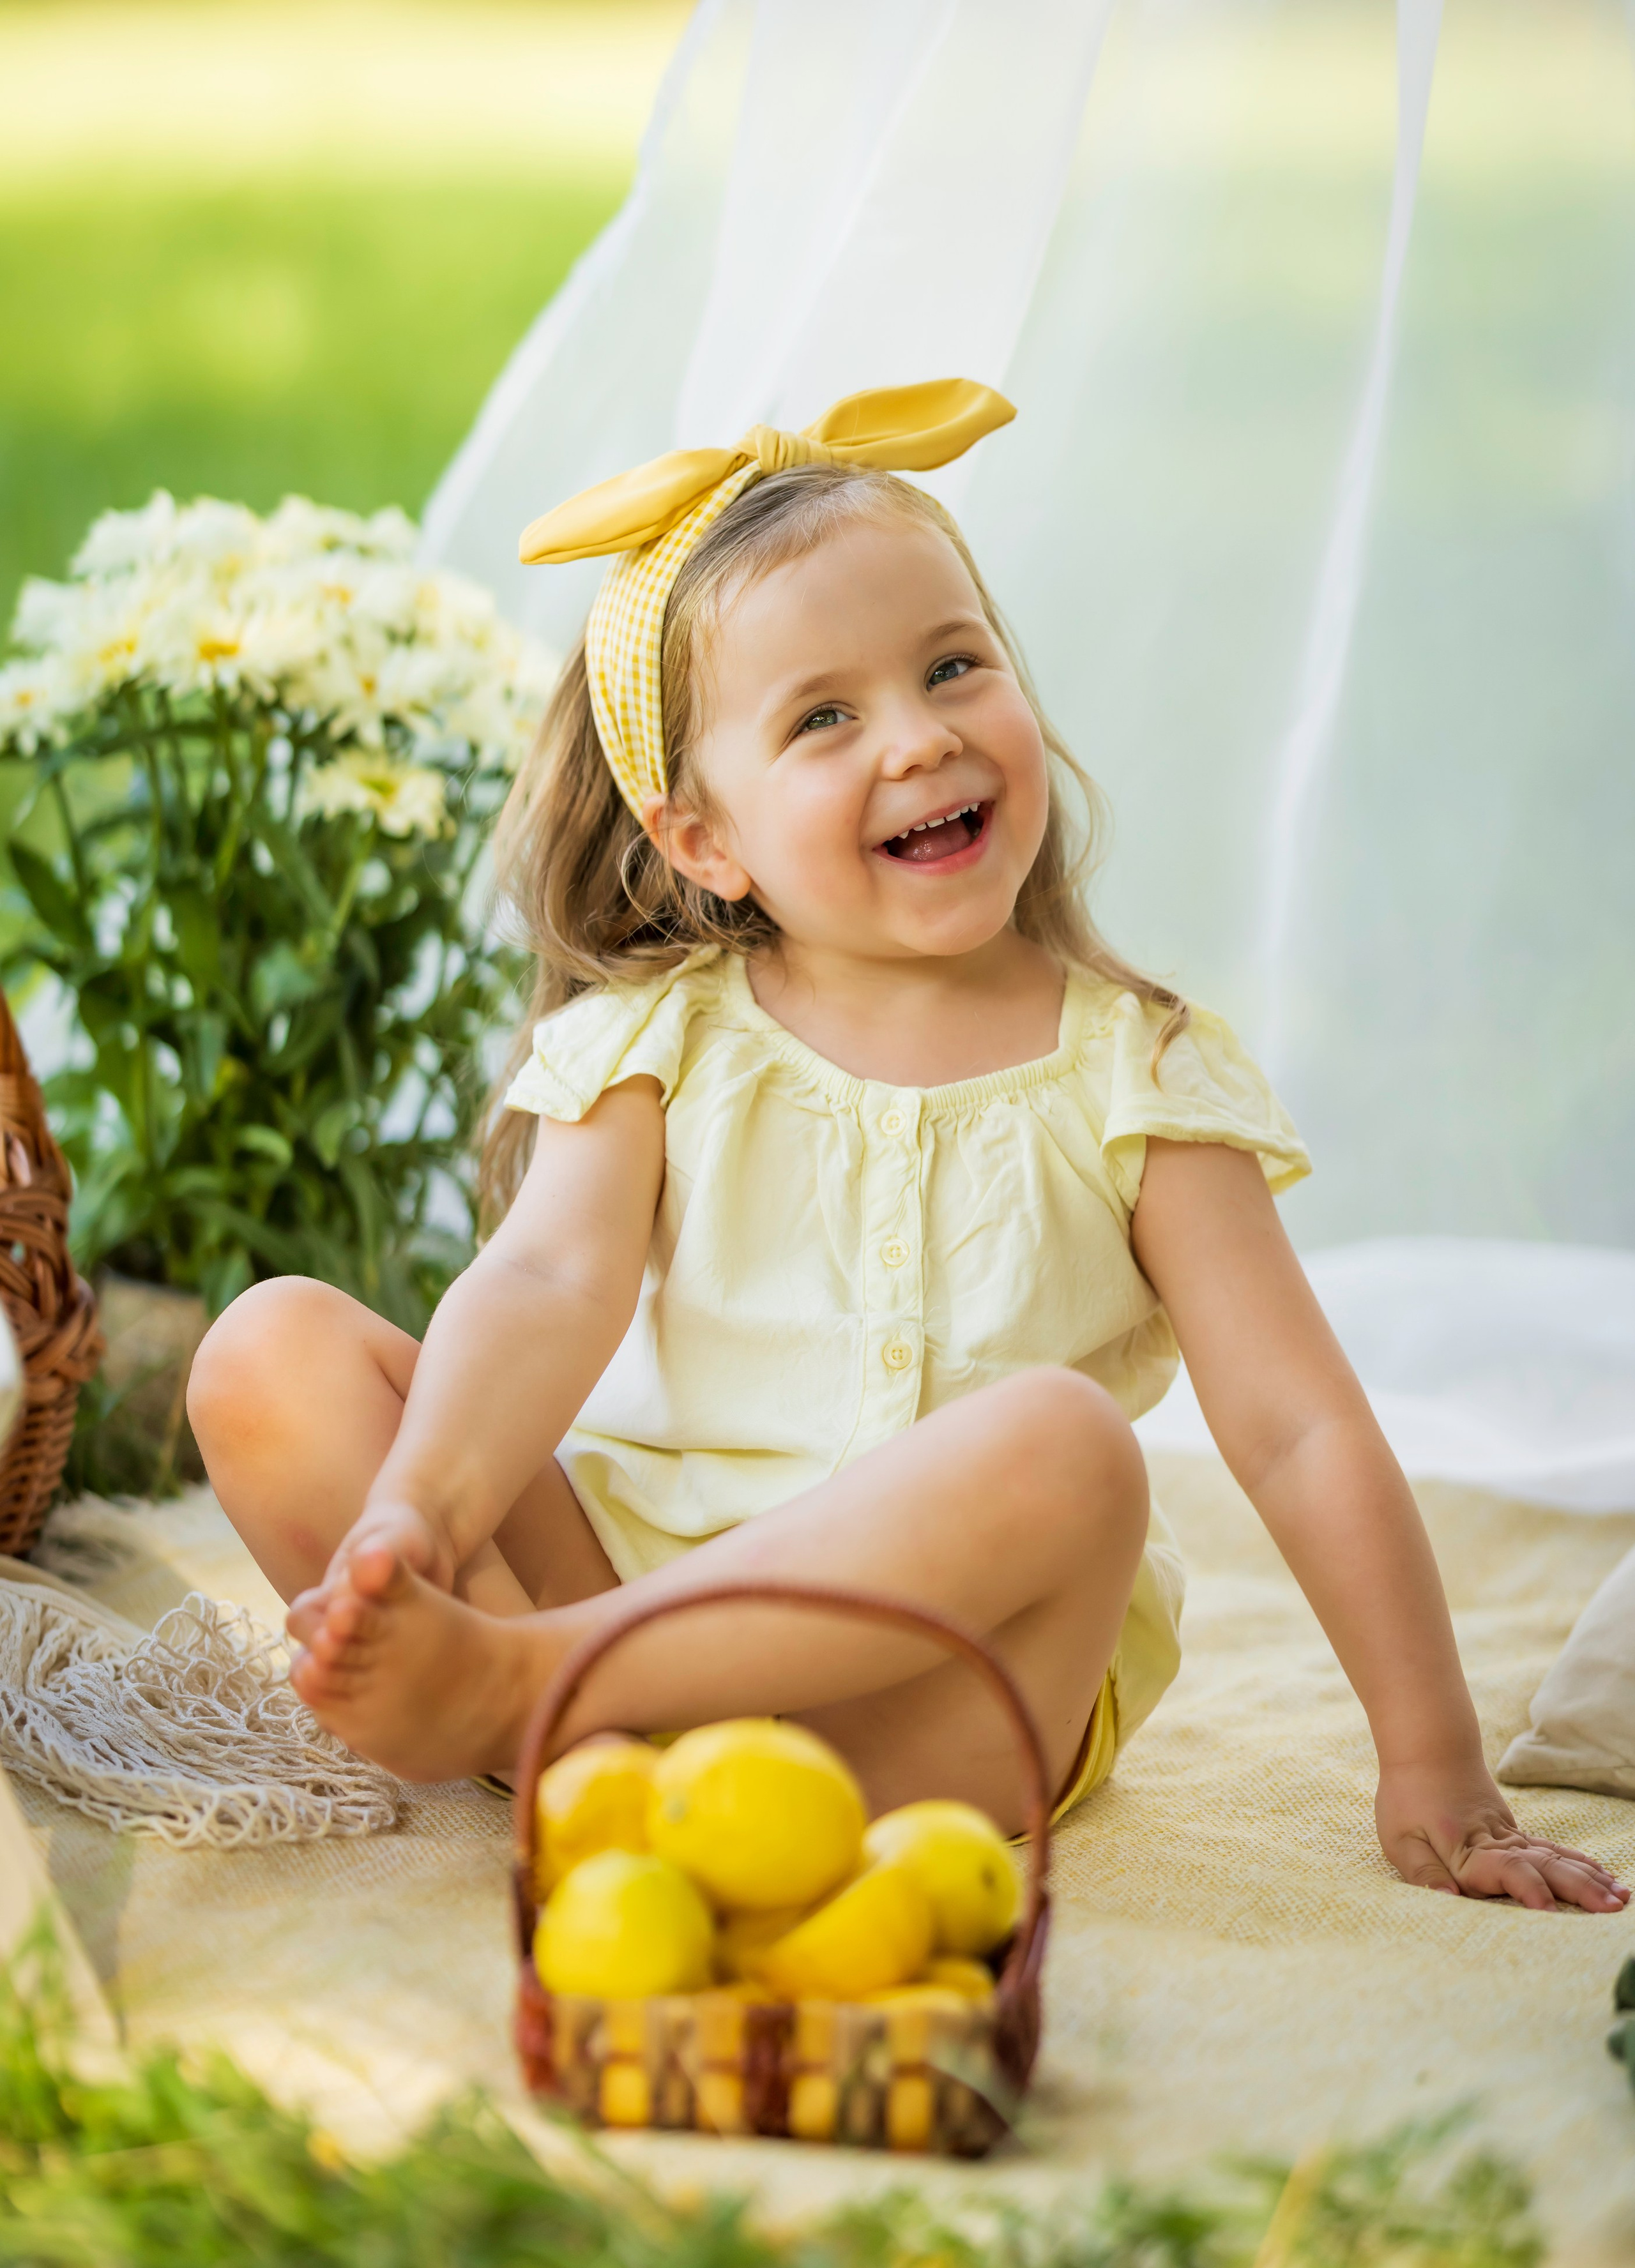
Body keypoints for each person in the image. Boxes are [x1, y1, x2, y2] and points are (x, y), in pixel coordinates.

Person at [191, 379, 1624, 1910]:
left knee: (1067, 1446)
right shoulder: (652, 1044)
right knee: (267, 1353)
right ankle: (590, 1746)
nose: (920, 737)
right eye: (824, 716)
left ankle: (530, 1693)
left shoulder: (1138, 1069)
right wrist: (419, 1509)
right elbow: (542, 1287)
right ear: (703, 841)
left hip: (944, 1702)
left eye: (952, 666)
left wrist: (1434, 1758)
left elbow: (1297, 1429)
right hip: (639, 1591)